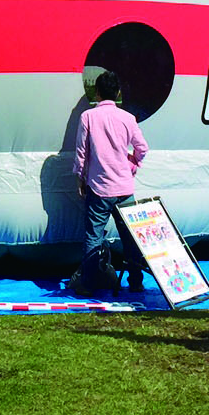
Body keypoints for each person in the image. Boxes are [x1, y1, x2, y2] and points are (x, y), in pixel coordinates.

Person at [71, 70, 148, 295]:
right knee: (130, 238)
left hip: (99, 188)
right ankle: (136, 282)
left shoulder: (87, 117)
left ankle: (89, 284)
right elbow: (142, 148)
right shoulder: (128, 118)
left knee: (93, 237)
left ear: (97, 92)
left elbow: (81, 152)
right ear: (118, 93)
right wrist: (132, 164)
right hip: (124, 188)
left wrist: (80, 178)